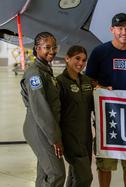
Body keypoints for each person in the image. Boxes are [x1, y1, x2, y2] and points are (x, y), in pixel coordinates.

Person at [85, 12, 126, 187]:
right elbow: (89, 79)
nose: (124, 31)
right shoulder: (100, 52)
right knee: (105, 161)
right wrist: (100, 88)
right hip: (107, 116)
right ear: (112, 29)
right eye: (120, 28)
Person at [20, 32, 65, 186]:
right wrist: (55, 138)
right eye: (47, 47)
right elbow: (40, 108)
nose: (52, 51)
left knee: (44, 172)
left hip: (46, 127)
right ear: (37, 49)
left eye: (54, 47)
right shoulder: (35, 74)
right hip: (39, 128)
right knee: (57, 174)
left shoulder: (46, 70)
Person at [57, 46, 94, 187]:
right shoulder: (60, 82)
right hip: (70, 137)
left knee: (75, 175)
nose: (81, 63)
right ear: (67, 58)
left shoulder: (87, 81)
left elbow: (93, 102)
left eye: (84, 60)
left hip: (85, 136)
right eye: (77, 58)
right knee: (85, 178)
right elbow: (55, 112)